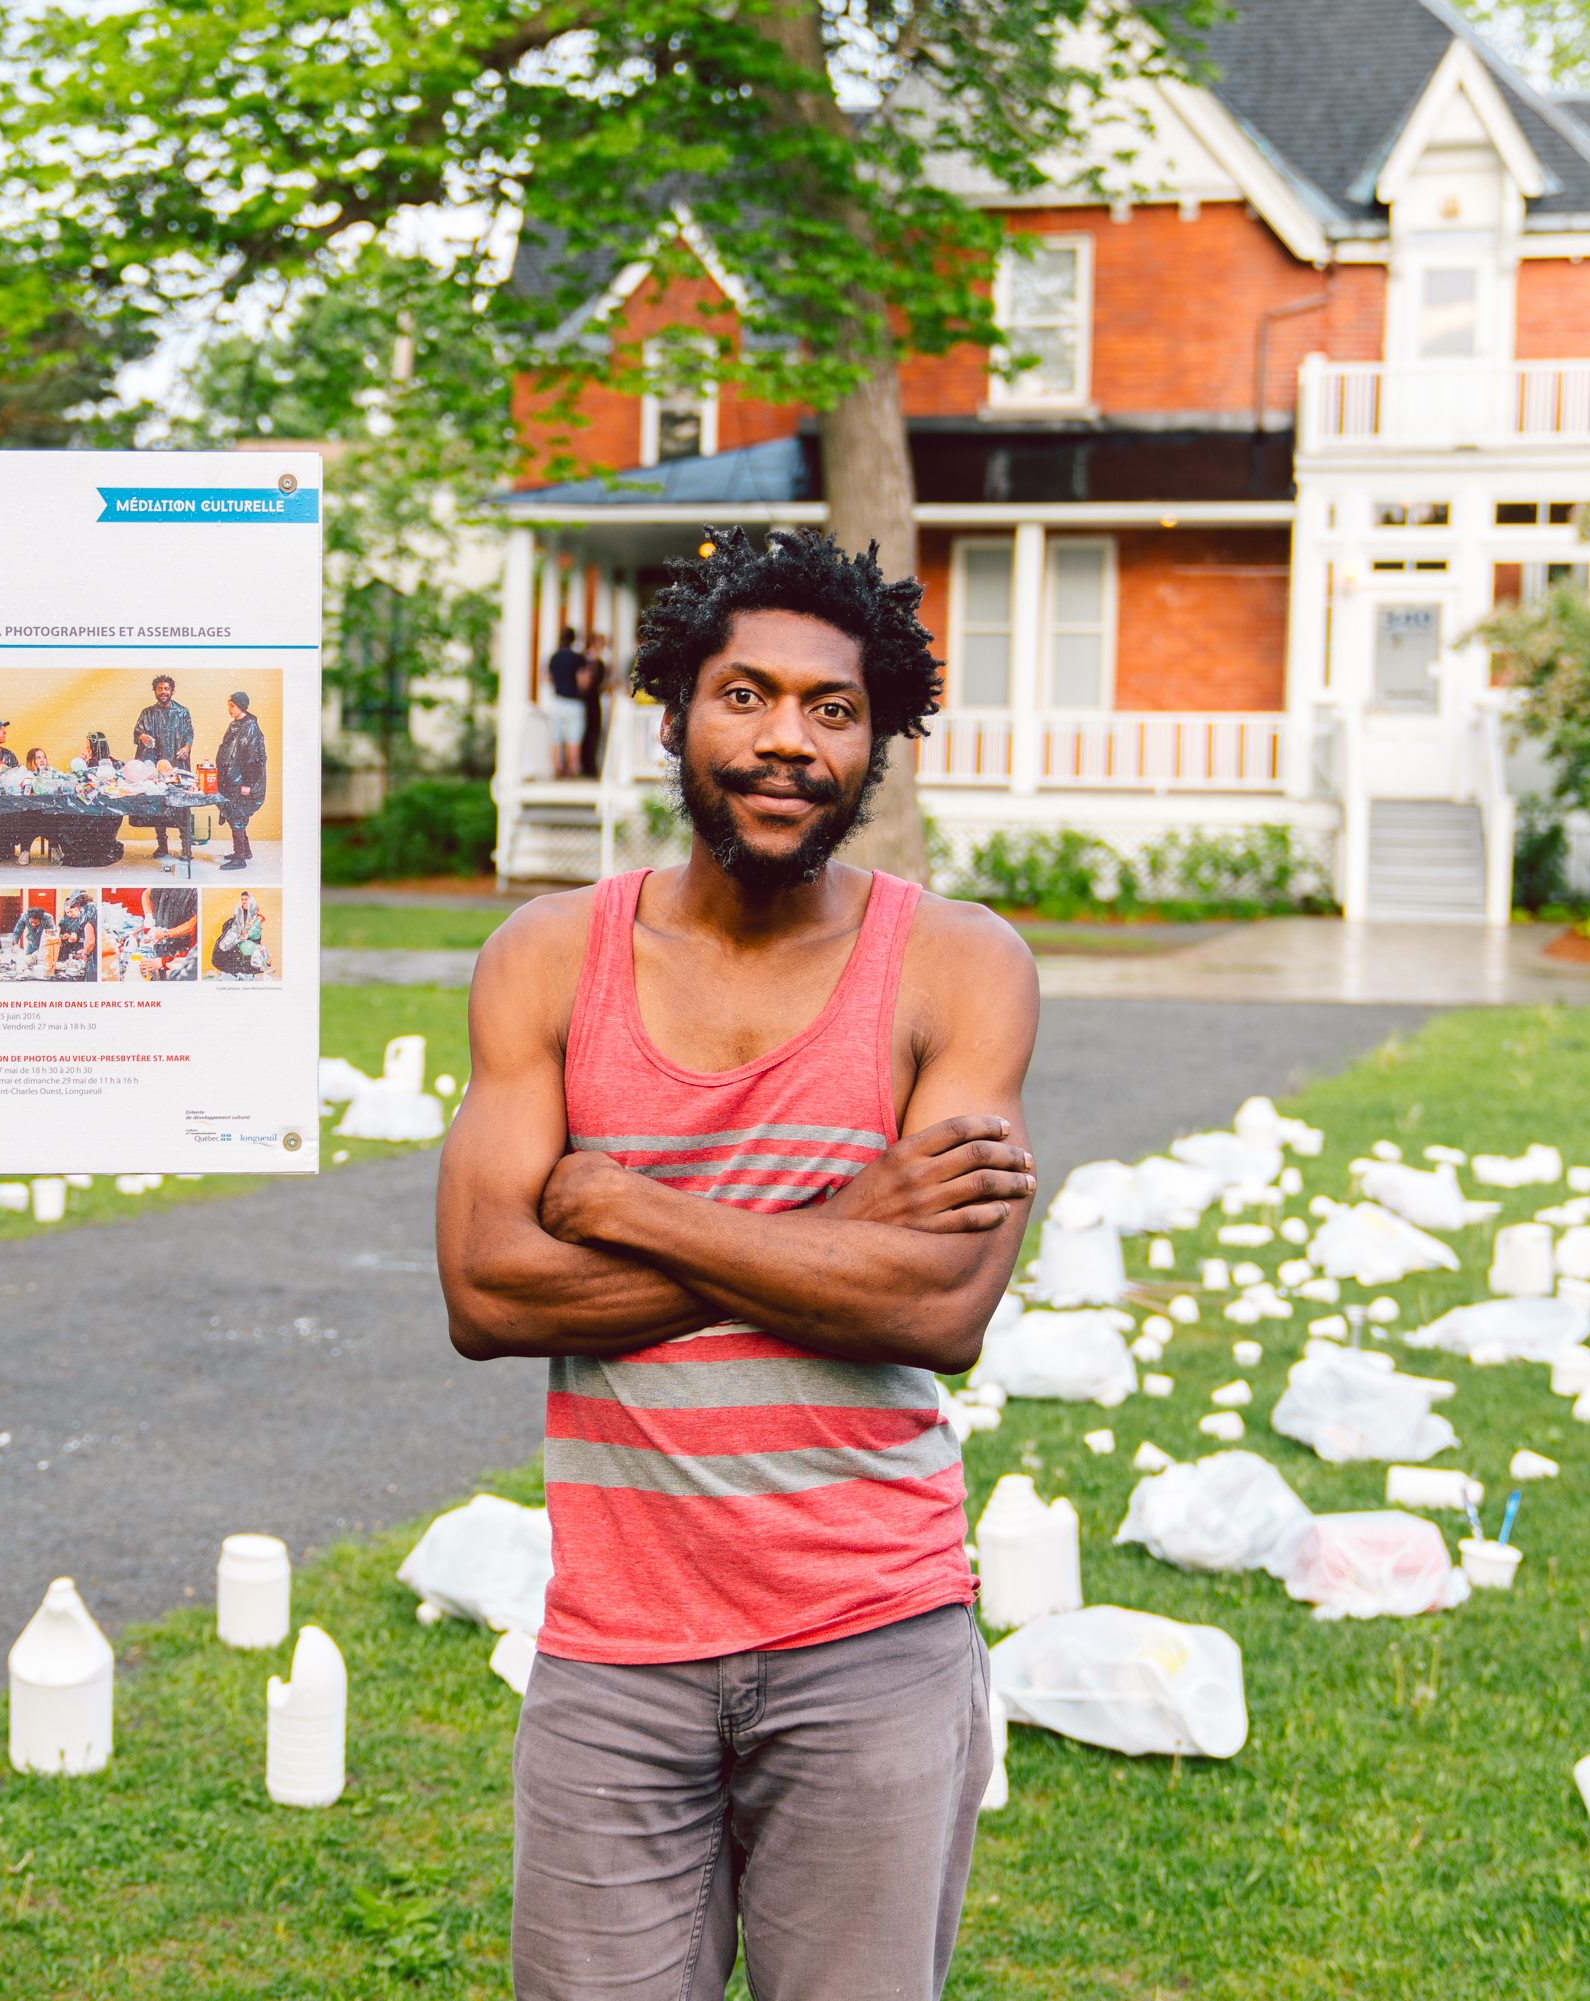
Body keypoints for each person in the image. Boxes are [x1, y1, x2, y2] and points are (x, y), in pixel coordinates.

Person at [434, 528, 1039, 2001]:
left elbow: (940, 1306)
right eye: (747, 695)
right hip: (614, 1648)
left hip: (871, 1634)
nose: (787, 741)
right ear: (672, 713)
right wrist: (847, 1215)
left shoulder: (959, 964)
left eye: (833, 710)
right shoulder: (548, 957)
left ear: (879, 742)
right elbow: (489, 1295)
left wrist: (629, 1206)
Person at [133, 676, 195, 860]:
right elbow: (138, 732)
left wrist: (187, 747)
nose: (163, 692)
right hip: (155, 766)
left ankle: (186, 849)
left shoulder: (182, 712)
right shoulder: (148, 713)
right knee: (158, 806)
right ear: (155, 691)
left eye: (166, 688)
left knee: (181, 806)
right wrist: (142, 736)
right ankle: (162, 845)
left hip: (177, 765)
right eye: (159, 689)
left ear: (172, 691)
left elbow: (190, 734)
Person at [212, 690, 267, 872]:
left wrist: (248, 783)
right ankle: (245, 851)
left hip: (241, 783)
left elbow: (253, 758)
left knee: (237, 816)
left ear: (241, 706)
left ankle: (239, 858)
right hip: (231, 780)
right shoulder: (236, 725)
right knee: (237, 815)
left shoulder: (250, 728)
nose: (229, 708)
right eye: (229, 705)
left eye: (232, 705)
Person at [544, 624, 590, 779]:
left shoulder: (554, 657)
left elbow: (547, 678)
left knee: (555, 736)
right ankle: (573, 768)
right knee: (574, 737)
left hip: (557, 701)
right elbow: (583, 681)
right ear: (573, 640)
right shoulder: (578, 658)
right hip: (574, 701)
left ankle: (556, 767)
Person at [210, 890, 267, 978]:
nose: (244, 901)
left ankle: (246, 972)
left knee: (250, 954)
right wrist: (239, 934)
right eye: (242, 899)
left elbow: (255, 928)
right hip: (238, 935)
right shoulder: (239, 911)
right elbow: (236, 925)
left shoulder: (253, 912)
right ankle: (235, 972)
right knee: (226, 948)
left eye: (246, 899)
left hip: (249, 938)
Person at [578, 629, 610, 778]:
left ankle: (591, 765)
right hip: (585, 701)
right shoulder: (585, 661)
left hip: (595, 701)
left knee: (594, 732)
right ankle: (584, 765)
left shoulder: (601, 663)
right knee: (584, 731)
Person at [55, 890, 99, 982]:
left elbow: (90, 940)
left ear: (77, 904)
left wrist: (86, 954)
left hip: (93, 958)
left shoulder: (87, 909)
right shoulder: (96, 907)